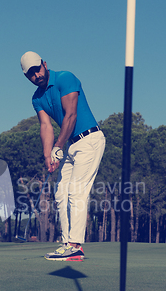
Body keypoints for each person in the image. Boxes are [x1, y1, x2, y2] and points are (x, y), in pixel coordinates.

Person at [20, 51, 105, 261]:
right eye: (30, 74)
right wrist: (49, 155)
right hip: (71, 145)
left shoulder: (65, 78)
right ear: (27, 77)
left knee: (76, 192)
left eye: (37, 69)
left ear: (45, 64)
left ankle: (76, 246)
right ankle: (67, 243)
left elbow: (71, 114)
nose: (36, 75)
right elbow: (46, 126)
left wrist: (58, 146)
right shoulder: (37, 98)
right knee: (60, 193)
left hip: (90, 140)